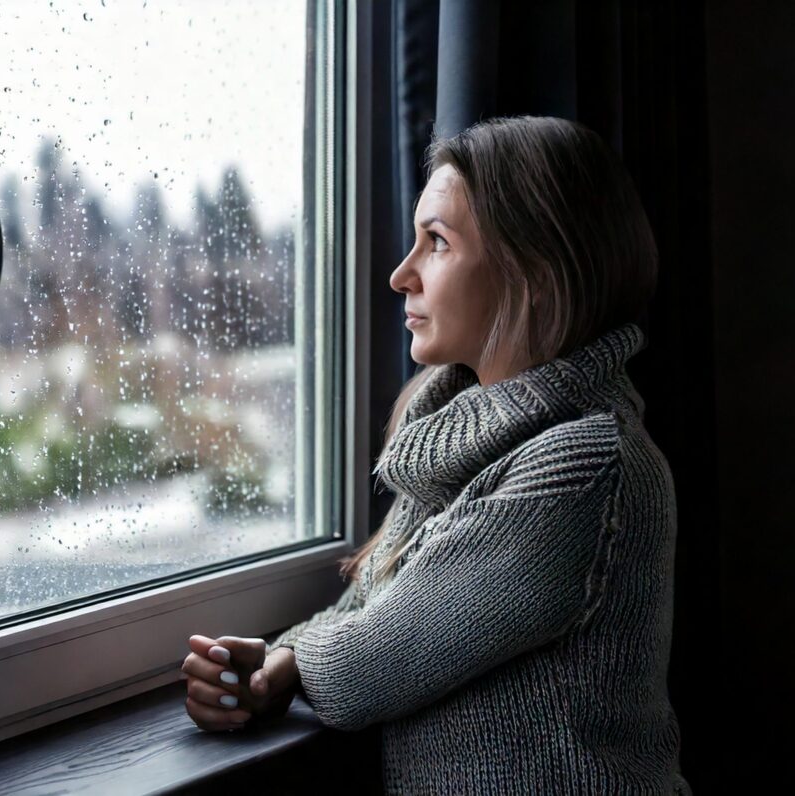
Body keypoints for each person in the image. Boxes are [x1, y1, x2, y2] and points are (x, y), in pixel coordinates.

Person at [182, 115, 691, 794]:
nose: (401, 275)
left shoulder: (587, 464)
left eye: (437, 244)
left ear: (534, 272)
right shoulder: (465, 444)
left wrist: (287, 664)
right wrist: (276, 657)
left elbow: (373, 662)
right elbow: (369, 610)